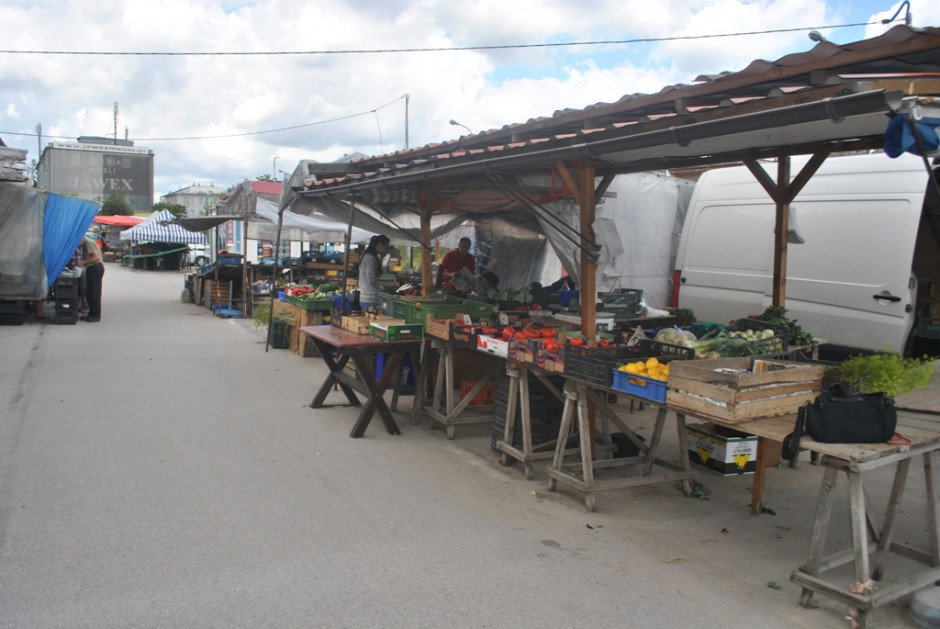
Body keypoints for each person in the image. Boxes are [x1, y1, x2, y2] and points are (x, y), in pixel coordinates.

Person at [358, 234, 390, 311]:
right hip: (370, 298)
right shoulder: (371, 258)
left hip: (365, 296)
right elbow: (370, 279)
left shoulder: (366, 256)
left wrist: (382, 258)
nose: (386, 250)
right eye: (386, 247)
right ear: (379, 245)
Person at [77, 235, 104, 322]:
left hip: (95, 268)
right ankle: (91, 313)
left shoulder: (88, 243)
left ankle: (95, 315)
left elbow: (96, 257)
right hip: (90, 268)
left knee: (94, 293)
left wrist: (84, 262)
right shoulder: (85, 245)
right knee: (88, 293)